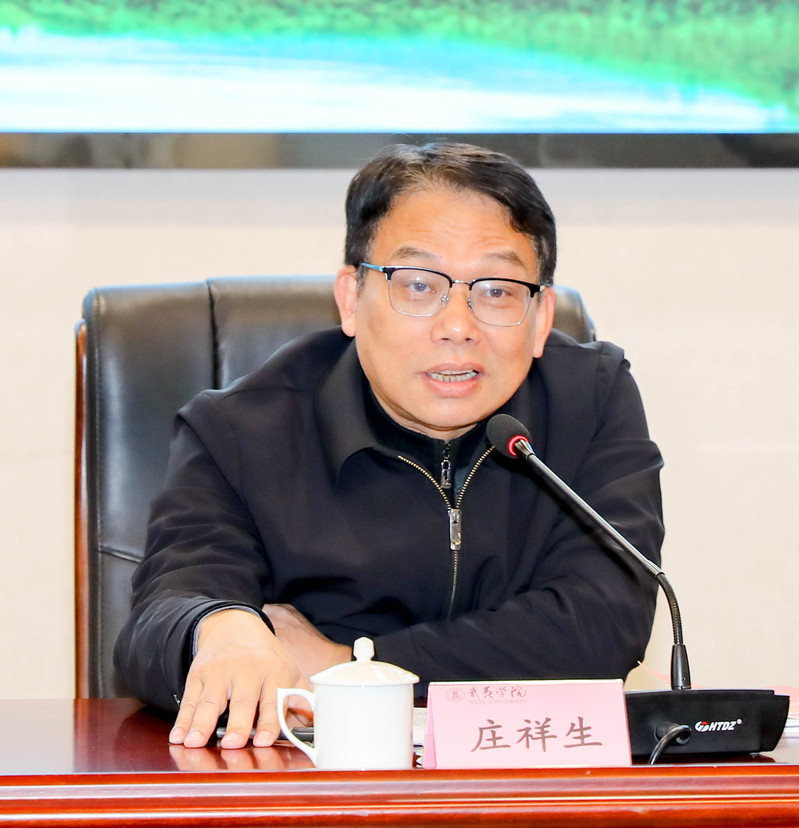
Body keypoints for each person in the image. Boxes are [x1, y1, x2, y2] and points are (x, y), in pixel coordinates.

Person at [114, 141, 664, 750]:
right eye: (419, 285)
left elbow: (604, 624)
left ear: (541, 318)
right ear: (351, 298)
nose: (458, 326)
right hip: (315, 781)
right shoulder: (240, 432)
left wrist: (348, 670)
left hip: (526, 778)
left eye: (497, 290)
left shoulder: (591, 399)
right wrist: (221, 629)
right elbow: (165, 614)